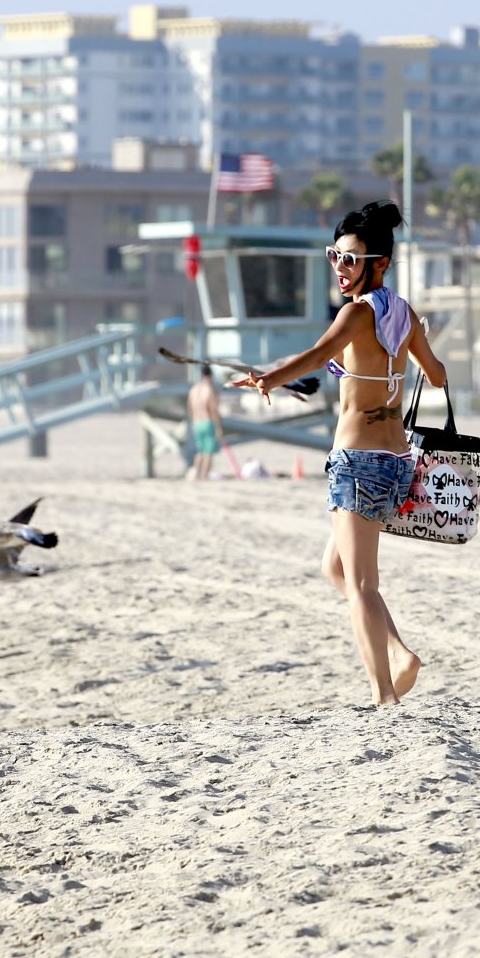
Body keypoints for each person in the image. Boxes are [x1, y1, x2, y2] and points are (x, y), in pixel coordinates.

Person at [233, 201, 447, 707]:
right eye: (334, 256)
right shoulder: (403, 314)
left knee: (363, 585)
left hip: (358, 463)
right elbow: (437, 377)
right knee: (334, 567)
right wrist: (414, 341)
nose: (340, 267)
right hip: (397, 464)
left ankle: (384, 695)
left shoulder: (356, 313)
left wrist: (269, 379)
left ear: (380, 263)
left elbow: (316, 354)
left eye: (350, 259)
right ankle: (399, 653)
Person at [186, 365, 225, 480]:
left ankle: (196, 475)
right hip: (208, 422)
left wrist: (193, 423)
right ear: (211, 375)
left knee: (200, 451)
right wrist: (218, 427)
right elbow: (213, 410)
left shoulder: (194, 390)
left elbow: (190, 408)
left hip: (197, 423)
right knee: (208, 452)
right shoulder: (209, 389)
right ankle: (204, 476)